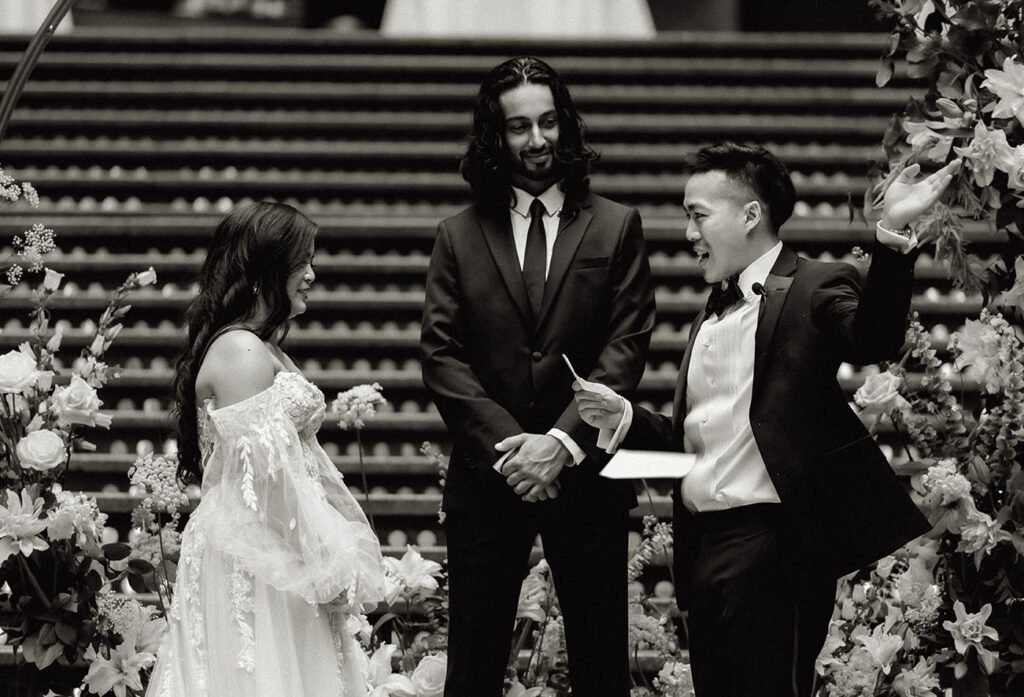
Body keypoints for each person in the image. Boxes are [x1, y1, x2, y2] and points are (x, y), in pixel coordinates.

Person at [572, 142, 961, 697]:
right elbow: (706, 441)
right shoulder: (710, 313)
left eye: (698, 215)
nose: (688, 234)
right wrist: (624, 416)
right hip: (704, 548)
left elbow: (874, 337)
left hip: (778, 548)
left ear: (750, 214)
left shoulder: (815, 284)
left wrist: (892, 238)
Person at [420, 56, 656, 697]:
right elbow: (441, 356)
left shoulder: (616, 226)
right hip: (488, 479)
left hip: (587, 478)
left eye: (549, 122)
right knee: (472, 670)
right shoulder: (457, 235)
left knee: (602, 666)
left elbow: (626, 346)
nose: (537, 140)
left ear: (566, 125)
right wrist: (514, 452)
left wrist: (560, 442)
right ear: (495, 135)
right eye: (519, 126)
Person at [148, 201, 385, 697]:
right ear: (264, 270)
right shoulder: (241, 351)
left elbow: (296, 464)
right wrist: (324, 567)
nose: (312, 275)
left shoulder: (261, 345)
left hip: (276, 549)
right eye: (303, 263)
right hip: (256, 556)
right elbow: (267, 474)